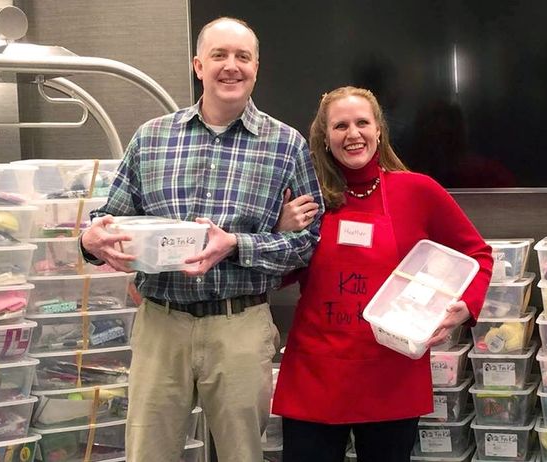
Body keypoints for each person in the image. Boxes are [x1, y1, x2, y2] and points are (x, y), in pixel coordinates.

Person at [78, 17, 323, 462]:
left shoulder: (286, 145)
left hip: (240, 326)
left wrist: (237, 244)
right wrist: (91, 238)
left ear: (256, 67)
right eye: (219, 55)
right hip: (160, 323)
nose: (231, 66)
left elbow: (309, 243)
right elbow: (108, 218)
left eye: (242, 57)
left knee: (242, 454)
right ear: (198, 65)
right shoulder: (152, 137)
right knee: (147, 452)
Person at [270, 86, 494, 461]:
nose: (353, 134)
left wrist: (466, 306)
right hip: (316, 374)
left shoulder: (417, 190)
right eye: (340, 125)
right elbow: (278, 276)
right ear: (325, 137)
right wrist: (280, 232)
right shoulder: (307, 199)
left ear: (379, 130)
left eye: (362, 123)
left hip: (391, 374)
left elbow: (478, 253)